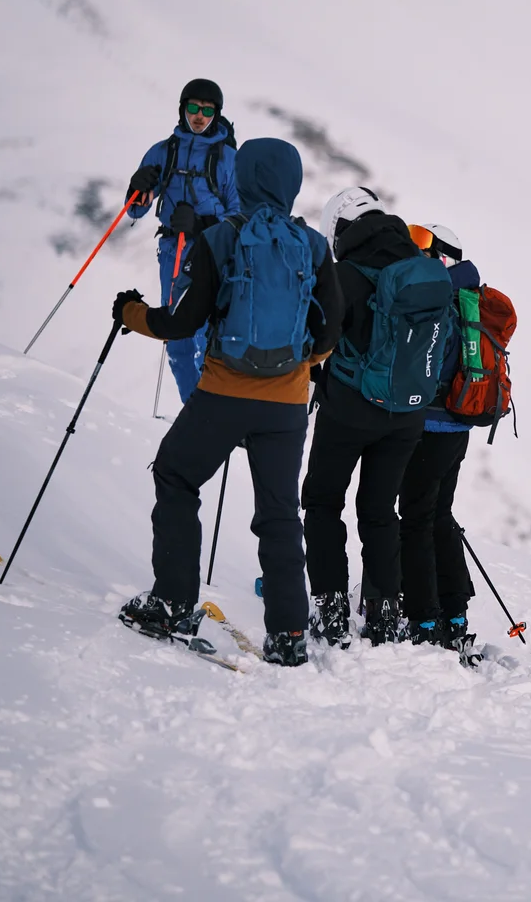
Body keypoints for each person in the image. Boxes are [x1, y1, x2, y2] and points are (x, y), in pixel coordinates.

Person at [111, 137, 339, 667]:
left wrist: (131, 314)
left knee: (175, 474)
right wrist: (298, 369)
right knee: (280, 515)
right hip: (286, 406)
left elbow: (182, 323)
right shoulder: (313, 245)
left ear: (244, 178)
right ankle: (288, 636)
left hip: (221, 394)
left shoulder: (221, 237)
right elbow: (330, 332)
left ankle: (172, 603)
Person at [302, 187, 448, 648]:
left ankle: (330, 609)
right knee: (381, 513)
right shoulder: (421, 269)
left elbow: (319, 338)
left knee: (324, 502)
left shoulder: (345, 273)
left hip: (348, 410)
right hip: (408, 415)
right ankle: (386, 614)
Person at [124, 79, 239, 405]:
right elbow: (136, 208)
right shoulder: (163, 152)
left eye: (207, 110)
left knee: (205, 333)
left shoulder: (228, 159)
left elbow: (239, 217)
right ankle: (193, 411)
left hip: (211, 255)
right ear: (182, 108)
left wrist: (202, 225)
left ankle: (211, 411)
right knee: (176, 337)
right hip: (172, 252)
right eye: (193, 108)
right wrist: (136, 187)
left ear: (216, 114)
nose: (199, 116)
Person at [397, 223, 481, 654]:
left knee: (415, 520)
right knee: (438, 516)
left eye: (427, 247)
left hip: (429, 427)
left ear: (442, 257)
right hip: (457, 429)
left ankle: (424, 618)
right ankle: (454, 613)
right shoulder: (469, 297)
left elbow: (426, 369)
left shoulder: (440, 298)